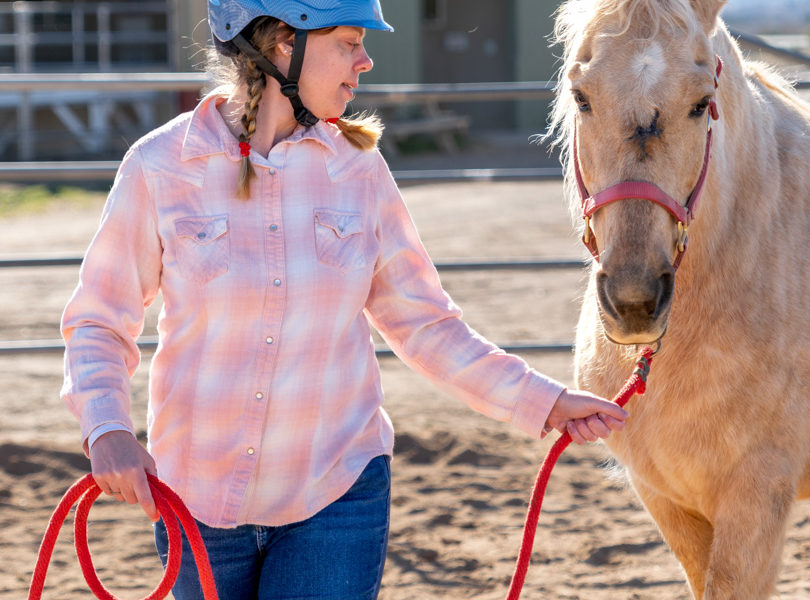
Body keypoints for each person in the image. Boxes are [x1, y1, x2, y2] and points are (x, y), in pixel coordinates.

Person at [60, 1, 629, 598]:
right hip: (196, 500)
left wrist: (546, 400)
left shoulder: (358, 171)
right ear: (283, 41)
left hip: (335, 494)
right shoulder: (159, 166)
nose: (366, 61)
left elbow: (426, 326)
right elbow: (99, 319)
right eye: (349, 42)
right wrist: (107, 429)